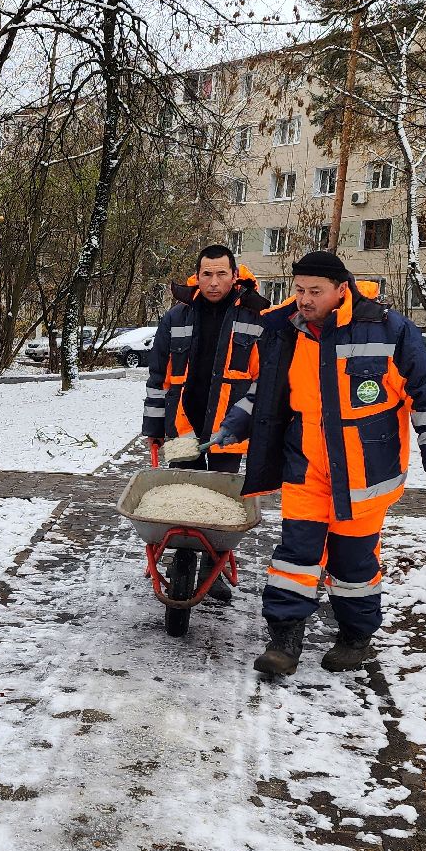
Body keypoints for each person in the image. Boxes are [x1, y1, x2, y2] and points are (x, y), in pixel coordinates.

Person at [207, 250, 426, 676]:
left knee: (354, 560)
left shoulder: (388, 329)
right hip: (305, 465)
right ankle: (284, 639)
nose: (305, 299)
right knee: (295, 554)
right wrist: (236, 424)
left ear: (342, 290)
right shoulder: (285, 330)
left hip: (366, 471)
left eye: (315, 292)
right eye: (299, 289)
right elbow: (265, 391)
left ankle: (355, 636)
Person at [142, 243, 288, 602]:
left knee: (221, 507)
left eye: (222, 273)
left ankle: (214, 566)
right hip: (184, 426)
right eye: (206, 273)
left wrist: (255, 423)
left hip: (229, 430)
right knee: (182, 502)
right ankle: (182, 560)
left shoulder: (256, 317)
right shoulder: (176, 317)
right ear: (197, 275)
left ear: (235, 276)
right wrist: (153, 429)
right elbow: (159, 377)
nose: (213, 281)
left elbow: (265, 378)